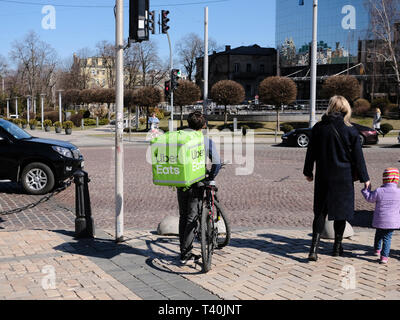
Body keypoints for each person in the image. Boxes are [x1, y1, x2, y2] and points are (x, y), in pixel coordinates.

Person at [303, 95, 370, 262]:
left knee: (320, 213)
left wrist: (308, 171)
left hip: (323, 176)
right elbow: (358, 157)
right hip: (343, 177)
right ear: (346, 109)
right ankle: (337, 248)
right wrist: (365, 178)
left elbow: (310, 152)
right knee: (341, 213)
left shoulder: (318, 128)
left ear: (330, 108)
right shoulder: (351, 129)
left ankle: (313, 249)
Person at [177, 111, 222, 264]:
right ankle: (186, 254)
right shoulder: (205, 141)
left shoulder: (179, 138)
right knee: (191, 218)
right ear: (203, 126)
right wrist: (211, 176)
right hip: (197, 182)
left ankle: (183, 249)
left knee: (183, 216)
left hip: (181, 181)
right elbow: (216, 162)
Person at [361, 168, 400, 264]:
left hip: (380, 220)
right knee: (387, 238)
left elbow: (370, 198)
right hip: (392, 221)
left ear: (384, 179)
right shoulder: (399, 192)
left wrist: (366, 190)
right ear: (396, 180)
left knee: (378, 234)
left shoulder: (379, 191)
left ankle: (377, 250)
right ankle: (384, 257)